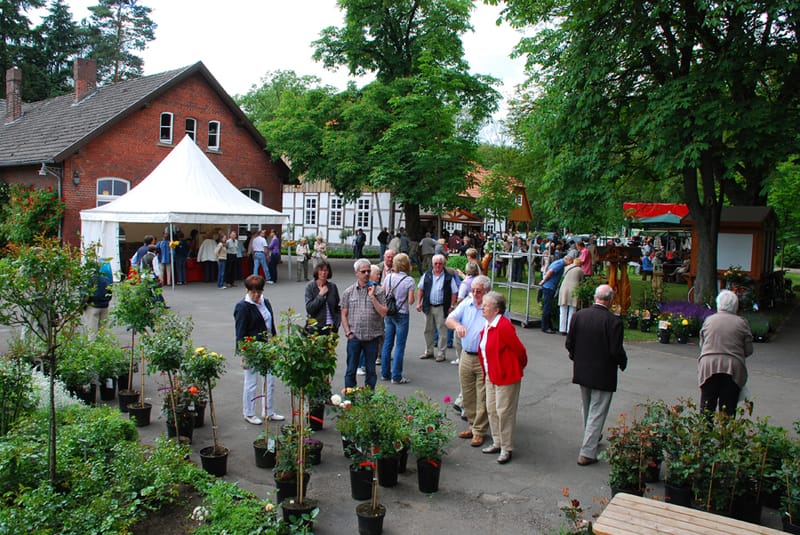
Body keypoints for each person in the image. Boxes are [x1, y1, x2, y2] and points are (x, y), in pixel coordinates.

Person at [566, 284, 627, 466]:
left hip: (583, 369)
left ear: (595, 297)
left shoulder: (578, 316)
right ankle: (587, 451)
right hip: (603, 372)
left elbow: (570, 343)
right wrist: (622, 362)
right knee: (597, 411)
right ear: (610, 300)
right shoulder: (614, 322)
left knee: (587, 407)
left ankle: (591, 437)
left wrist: (577, 358)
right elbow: (616, 350)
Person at [479, 291, 527, 465]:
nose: (482, 307)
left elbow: (520, 351)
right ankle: (497, 442)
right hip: (491, 374)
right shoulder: (488, 324)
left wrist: (515, 367)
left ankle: (506, 448)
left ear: (496, 309)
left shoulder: (503, 326)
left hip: (506, 376)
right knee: (492, 409)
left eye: (486, 305)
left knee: (504, 412)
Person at [446, 275, 492, 448]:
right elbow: (449, 319)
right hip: (466, 355)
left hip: (483, 357)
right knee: (467, 394)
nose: (475, 294)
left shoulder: (493, 306)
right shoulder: (468, 303)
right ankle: (473, 425)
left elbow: (504, 326)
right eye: (473, 290)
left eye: (478, 292)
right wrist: (457, 326)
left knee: (482, 395)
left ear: (487, 292)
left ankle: (479, 431)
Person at [234, 274, 285, 424]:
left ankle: (268, 411)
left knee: (269, 380)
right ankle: (249, 412)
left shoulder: (265, 302)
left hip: (268, 347)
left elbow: (271, 324)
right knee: (251, 382)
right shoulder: (242, 307)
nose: (256, 295)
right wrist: (243, 354)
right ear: (247, 290)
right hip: (252, 349)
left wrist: (275, 342)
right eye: (253, 292)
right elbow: (240, 333)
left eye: (259, 291)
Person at [698, 289, 753, 416]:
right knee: (728, 407)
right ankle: (725, 433)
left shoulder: (709, 320)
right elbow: (749, 350)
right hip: (733, 368)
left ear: (718, 304)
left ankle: (703, 433)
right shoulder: (742, 323)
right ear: (736, 306)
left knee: (707, 405)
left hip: (708, 366)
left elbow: (702, 344)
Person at [341, 258, 387, 388]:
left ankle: (368, 400)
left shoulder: (378, 291)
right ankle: (350, 398)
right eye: (363, 271)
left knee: (371, 371)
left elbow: (384, 312)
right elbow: (343, 314)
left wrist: (372, 297)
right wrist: (348, 332)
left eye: (368, 271)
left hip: (372, 338)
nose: (366, 274)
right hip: (354, 337)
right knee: (351, 370)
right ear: (357, 273)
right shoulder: (349, 292)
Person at [380, 253, 416, 384]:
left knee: (387, 343)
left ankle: (385, 373)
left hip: (389, 313)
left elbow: (382, 293)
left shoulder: (388, 277)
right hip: (402, 313)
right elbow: (411, 301)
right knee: (400, 345)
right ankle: (396, 376)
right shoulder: (409, 281)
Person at [416, 254, 459, 362]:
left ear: (443, 264)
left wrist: (452, 306)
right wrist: (418, 303)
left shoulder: (448, 277)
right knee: (428, 330)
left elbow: (454, 292)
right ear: (432, 264)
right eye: (436, 263)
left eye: (440, 263)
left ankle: (441, 353)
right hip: (428, 306)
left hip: (441, 307)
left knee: (442, 331)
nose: (438, 266)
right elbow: (420, 289)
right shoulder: (427, 275)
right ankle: (429, 351)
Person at [304, 260, 340, 335]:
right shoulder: (310, 287)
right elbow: (309, 309)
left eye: (326, 270)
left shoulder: (332, 287)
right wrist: (320, 295)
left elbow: (337, 307)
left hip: (331, 328)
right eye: (321, 270)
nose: (323, 273)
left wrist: (337, 322)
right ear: (317, 271)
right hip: (315, 328)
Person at [84, 261, 113, 339]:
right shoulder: (106, 279)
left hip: (92, 306)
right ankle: (104, 347)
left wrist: (83, 305)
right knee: (103, 330)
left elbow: (85, 294)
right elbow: (110, 293)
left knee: (92, 331)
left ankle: (92, 349)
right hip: (104, 306)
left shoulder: (89, 279)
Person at [540, 252, 566, 334]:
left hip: (548, 286)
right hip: (549, 287)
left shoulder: (557, 262)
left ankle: (549, 325)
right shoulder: (560, 264)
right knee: (547, 307)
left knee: (548, 307)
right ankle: (545, 327)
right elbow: (550, 271)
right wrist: (544, 280)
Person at [558, 254, 584, 335]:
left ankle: (562, 329)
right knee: (572, 310)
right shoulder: (580, 270)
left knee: (563, 309)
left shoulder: (566, 267)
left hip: (564, 289)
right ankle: (569, 329)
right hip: (573, 289)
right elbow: (581, 281)